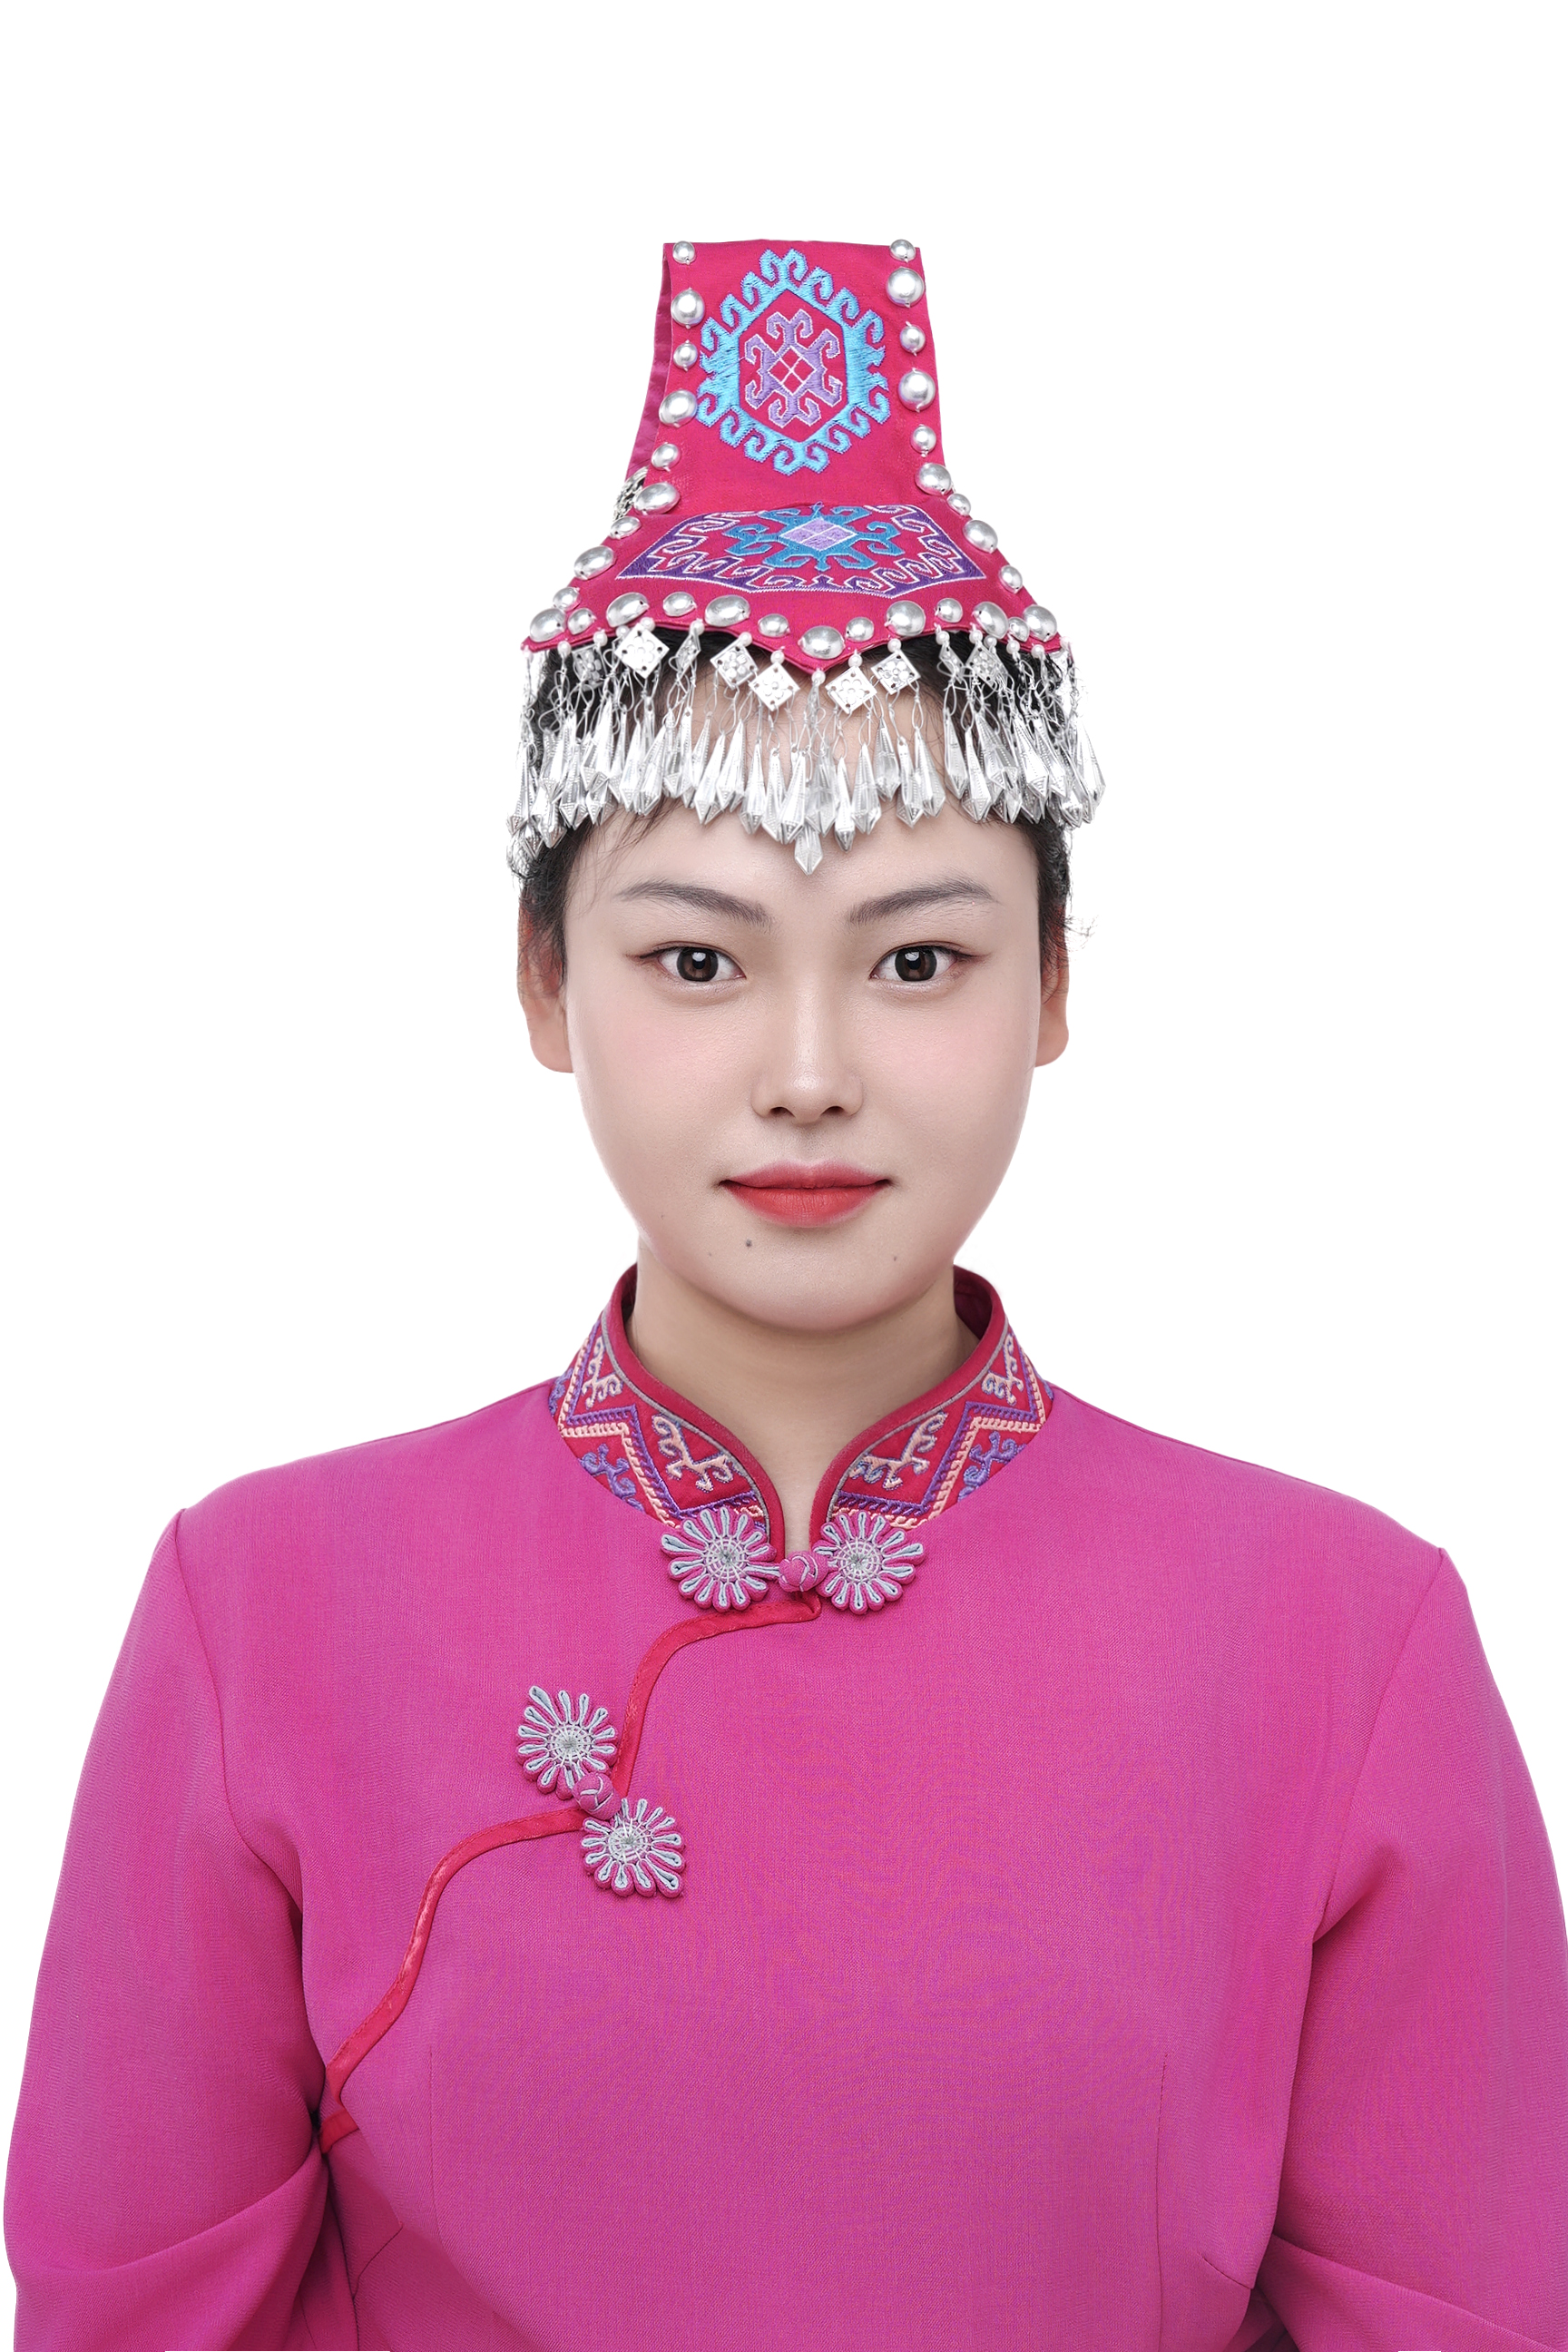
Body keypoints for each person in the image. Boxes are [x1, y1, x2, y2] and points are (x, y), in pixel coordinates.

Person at [5, 237, 1565, 2352]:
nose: (809, 1067)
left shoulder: (1343, 1640)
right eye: (698, 958)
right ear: (544, 986)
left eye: (918, 958)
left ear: (1057, 988)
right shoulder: (261, 1612)